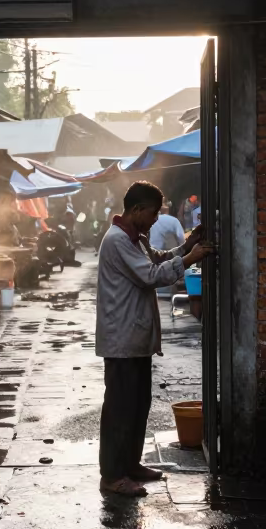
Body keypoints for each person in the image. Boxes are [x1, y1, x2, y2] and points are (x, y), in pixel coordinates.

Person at [95, 181, 212, 496]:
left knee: (137, 406)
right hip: (122, 340)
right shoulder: (118, 240)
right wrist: (188, 260)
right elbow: (150, 275)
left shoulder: (135, 238)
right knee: (120, 410)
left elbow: (157, 259)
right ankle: (112, 476)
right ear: (136, 209)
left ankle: (131, 465)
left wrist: (187, 246)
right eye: (152, 213)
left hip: (135, 338)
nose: (155, 220)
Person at [148, 200, 186, 297]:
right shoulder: (173, 221)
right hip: (168, 261)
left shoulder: (151, 220)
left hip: (152, 258)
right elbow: (182, 239)